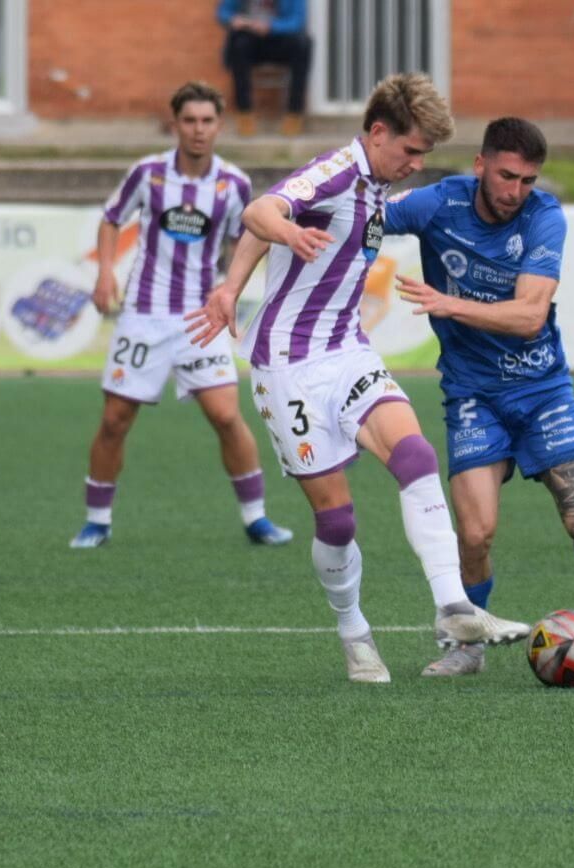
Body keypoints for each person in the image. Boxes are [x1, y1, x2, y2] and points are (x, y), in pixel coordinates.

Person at [185, 73, 531, 682]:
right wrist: (286, 231)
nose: (416, 165)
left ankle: (454, 607)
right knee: (337, 522)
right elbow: (260, 211)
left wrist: (232, 284)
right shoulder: (337, 174)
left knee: (416, 453)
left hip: (347, 351)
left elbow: (254, 233)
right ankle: (354, 633)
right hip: (287, 366)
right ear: (377, 132)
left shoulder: (375, 184)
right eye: (412, 151)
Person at [381, 117, 574, 678]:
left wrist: (450, 306)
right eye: (506, 176)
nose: (515, 191)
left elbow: (529, 316)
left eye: (527, 180)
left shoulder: (545, 218)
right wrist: (293, 214)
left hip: (543, 391)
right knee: (473, 533)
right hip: (474, 394)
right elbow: (365, 214)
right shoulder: (436, 205)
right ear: (480, 166)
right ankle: (469, 645)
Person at [71, 82, 291, 551]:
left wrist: (230, 286)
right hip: (144, 316)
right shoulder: (147, 173)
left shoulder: (234, 184)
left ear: (219, 125)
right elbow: (111, 219)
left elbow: (245, 238)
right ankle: (97, 520)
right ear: (175, 124)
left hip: (200, 316)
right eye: (189, 121)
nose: (198, 130)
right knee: (114, 420)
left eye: (207, 121)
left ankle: (257, 518)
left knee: (226, 415)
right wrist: (105, 273)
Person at [216, 0, 311, 138]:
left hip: (280, 40)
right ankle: (245, 114)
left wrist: (271, 26)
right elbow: (223, 12)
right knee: (238, 45)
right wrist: (233, 19)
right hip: (251, 40)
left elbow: (297, 21)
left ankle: (294, 114)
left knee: (304, 44)